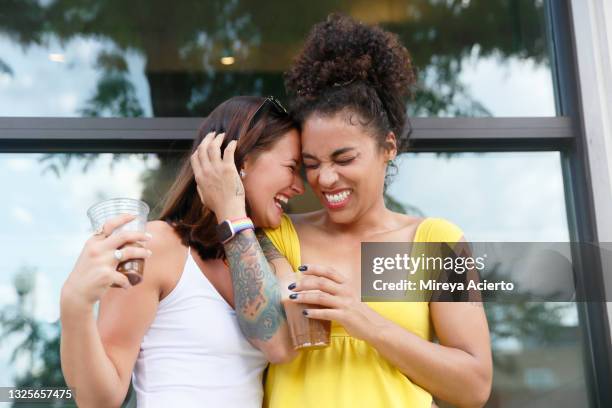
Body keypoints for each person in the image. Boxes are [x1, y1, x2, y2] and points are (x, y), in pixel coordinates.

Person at [192, 14, 492, 408]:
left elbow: (473, 386)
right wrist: (231, 208)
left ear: (387, 148)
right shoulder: (281, 233)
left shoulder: (435, 242)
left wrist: (361, 319)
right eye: (311, 164)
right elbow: (272, 337)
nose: (326, 179)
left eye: (344, 158)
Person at [59, 95, 305, 408]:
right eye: (292, 167)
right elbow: (99, 399)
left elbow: (281, 347)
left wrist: (230, 211)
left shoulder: (266, 252)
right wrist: (74, 305)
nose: (300, 186)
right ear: (240, 160)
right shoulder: (156, 246)